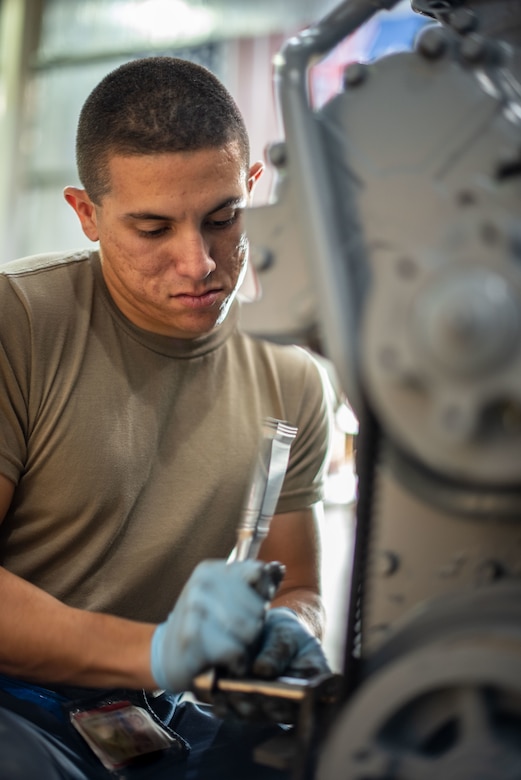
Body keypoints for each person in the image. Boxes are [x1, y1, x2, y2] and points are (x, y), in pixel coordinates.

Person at [0, 56, 332, 778]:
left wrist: (286, 630)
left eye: (222, 219)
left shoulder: (294, 380)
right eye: (152, 229)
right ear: (86, 213)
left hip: (151, 708)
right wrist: (153, 649)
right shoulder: (18, 324)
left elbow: (300, 586)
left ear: (251, 188)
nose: (198, 263)